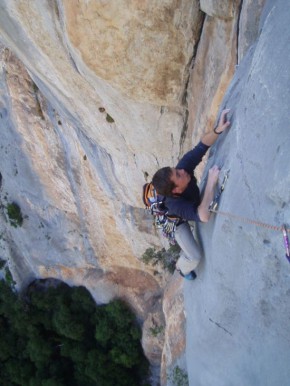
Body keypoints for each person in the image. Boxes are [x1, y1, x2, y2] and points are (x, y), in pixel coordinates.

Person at [152, 109, 231, 280]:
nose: (182, 170)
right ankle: (182, 268)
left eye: (177, 170)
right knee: (194, 256)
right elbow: (204, 216)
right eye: (178, 175)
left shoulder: (182, 169)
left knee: (196, 203)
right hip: (174, 220)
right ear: (175, 190)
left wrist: (218, 129)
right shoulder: (175, 205)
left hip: (189, 202)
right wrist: (211, 182)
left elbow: (201, 146)